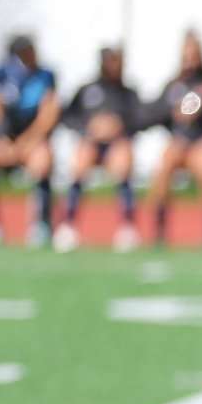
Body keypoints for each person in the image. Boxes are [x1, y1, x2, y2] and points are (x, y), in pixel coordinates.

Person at [142, 31, 202, 246]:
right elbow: (155, 114)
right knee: (164, 166)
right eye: (187, 54)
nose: (190, 58)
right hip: (180, 141)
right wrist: (174, 113)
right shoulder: (173, 86)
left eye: (194, 53)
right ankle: (159, 227)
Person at [59, 46, 146, 251]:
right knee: (80, 162)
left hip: (117, 144)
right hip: (91, 143)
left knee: (123, 162)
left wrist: (120, 127)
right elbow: (68, 116)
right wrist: (88, 128)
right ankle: (67, 224)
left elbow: (142, 118)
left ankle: (127, 225)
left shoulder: (128, 94)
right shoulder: (87, 89)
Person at [0, 36, 60, 247]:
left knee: (43, 160)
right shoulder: (4, 74)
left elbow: (49, 112)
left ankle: (41, 223)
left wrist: (27, 141)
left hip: (32, 139)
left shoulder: (45, 76)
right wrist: (3, 138)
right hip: (6, 138)